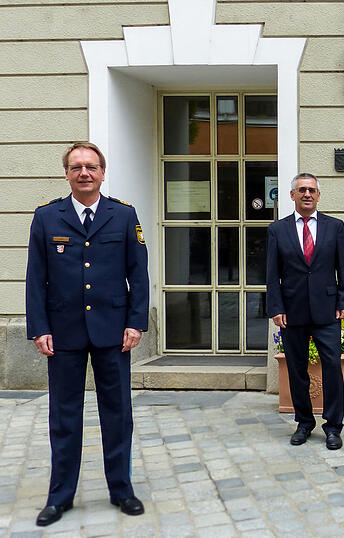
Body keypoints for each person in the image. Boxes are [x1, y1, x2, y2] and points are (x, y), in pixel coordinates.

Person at [26, 142, 149, 526]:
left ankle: (122, 490)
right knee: (64, 416)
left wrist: (136, 321)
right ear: (66, 173)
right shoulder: (47, 217)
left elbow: (138, 274)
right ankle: (60, 496)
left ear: (102, 172)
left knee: (118, 413)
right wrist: (39, 328)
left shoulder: (124, 215)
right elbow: (35, 279)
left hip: (113, 331)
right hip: (63, 334)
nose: (84, 173)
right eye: (76, 167)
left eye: (91, 167)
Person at [266, 173, 344, 450]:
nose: (307, 195)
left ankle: (333, 427)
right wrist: (276, 307)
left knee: (332, 368)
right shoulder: (277, 230)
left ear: (318, 195)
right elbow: (272, 274)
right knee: (297, 370)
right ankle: (303, 423)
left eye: (312, 190)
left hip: (328, 312)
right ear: (292, 195)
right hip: (292, 312)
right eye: (302, 190)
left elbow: (343, 268)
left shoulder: (335, 227)